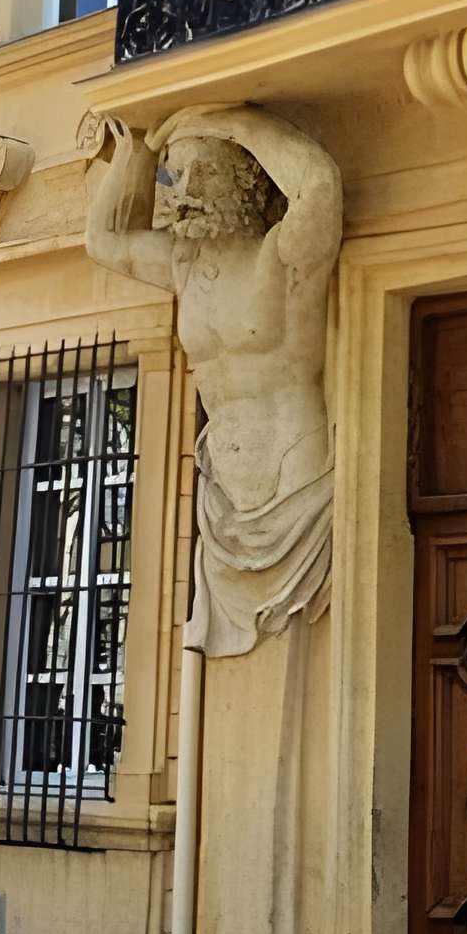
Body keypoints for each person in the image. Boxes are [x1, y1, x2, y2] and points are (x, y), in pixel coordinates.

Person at [85, 105, 342, 656]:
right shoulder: (186, 265)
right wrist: (136, 149)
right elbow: (105, 241)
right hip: (222, 489)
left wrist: (235, 123)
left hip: (292, 472)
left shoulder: (281, 257)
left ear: (247, 178)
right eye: (177, 175)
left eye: (205, 171)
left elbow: (320, 187)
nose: (184, 190)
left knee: (301, 646)